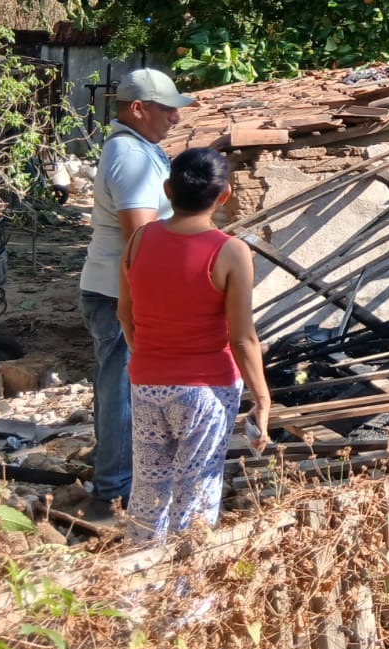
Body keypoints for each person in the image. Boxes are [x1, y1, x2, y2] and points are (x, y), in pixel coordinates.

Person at [117, 146, 271, 544]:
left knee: (149, 490)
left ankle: (139, 573)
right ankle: (187, 584)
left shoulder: (138, 241)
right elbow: (242, 338)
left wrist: (150, 357)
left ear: (168, 190)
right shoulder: (231, 251)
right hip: (206, 390)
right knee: (196, 497)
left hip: (146, 383)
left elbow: (125, 315)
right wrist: (262, 399)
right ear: (225, 195)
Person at [78, 68, 194, 515]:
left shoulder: (142, 149)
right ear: (139, 108)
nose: (175, 118)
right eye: (167, 110)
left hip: (120, 288)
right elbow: (141, 237)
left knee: (119, 386)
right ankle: (112, 492)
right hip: (120, 293)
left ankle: (114, 473)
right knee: (123, 390)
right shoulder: (129, 155)